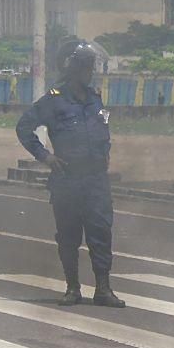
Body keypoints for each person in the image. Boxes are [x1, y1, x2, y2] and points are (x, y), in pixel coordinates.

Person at [15, 40, 126, 308]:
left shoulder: (95, 98)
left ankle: (103, 288)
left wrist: (105, 153)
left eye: (91, 65)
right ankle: (73, 288)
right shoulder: (53, 100)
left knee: (101, 232)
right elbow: (24, 128)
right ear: (72, 68)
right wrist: (45, 157)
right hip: (68, 179)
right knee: (68, 235)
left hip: (96, 179)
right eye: (86, 66)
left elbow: (103, 132)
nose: (90, 71)